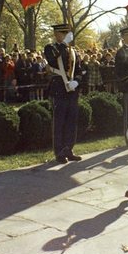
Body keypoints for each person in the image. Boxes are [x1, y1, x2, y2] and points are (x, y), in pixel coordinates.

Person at [44, 23, 83, 164]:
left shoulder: (73, 51)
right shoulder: (51, 48)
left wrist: (77, 82)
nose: (66, 37)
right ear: (56, 34)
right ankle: (59, 152)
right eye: (63, 34)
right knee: (59, 122)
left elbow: (79, 70)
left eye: (67, 34)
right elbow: (52, 57)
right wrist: (64, 44)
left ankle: (69, 149)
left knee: (71, 123)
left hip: (71, 91)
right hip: (58, 89)